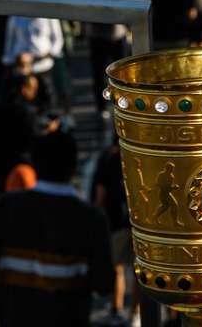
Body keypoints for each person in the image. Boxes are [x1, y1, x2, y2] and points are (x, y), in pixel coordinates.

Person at [0, 129, 112, 327]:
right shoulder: (91, 218)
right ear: (73, 167)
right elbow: (103, 284)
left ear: (35, 165)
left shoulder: (8, 206)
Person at [91, 136, 134, 325]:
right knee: (138, 271)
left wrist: (96, 220)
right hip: (138, 223)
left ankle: (117, 308)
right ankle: (136, 313)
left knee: (117, 268)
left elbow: (100, 194)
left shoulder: (109, 159)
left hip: (116, 221)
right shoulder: (139, 157)